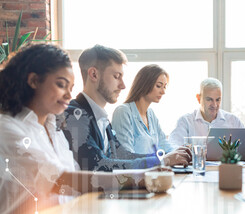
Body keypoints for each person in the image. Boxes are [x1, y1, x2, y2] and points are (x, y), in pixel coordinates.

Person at [0, 44, 150, 214]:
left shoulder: (54, 129)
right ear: (33, 81)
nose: (68, 94)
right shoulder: (7, 129)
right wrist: (138, 178)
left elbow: (76, 180)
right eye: (61, 85)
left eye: (71, 87)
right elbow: (61, 179)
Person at [62, 45, 190, 171]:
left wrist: (167, 158)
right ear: (94, 74)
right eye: (117, 77)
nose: (123, 85)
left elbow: (123, 156)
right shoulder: (74, 114)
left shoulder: (102, 118)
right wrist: (162, 161)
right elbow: (97, 165)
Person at [169, 78, 245, 156]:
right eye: (209, 99)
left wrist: (234, 153)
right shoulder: (185, 121)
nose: (214, 105)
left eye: (218, 100)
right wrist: (193, 152)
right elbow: (172, 147)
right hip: (197, 170)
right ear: (198, 98)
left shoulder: (233, 121)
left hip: (226, 170)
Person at [111, 64, 178, 155]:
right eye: (158, 86)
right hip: (136, 169)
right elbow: (125, 155)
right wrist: (161, 161)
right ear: (145, 84)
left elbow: (163, 143)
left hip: (153, 169)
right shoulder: (123, 112)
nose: (163, 92)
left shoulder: (151, 114)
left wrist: (180, 152)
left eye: (164, 87)